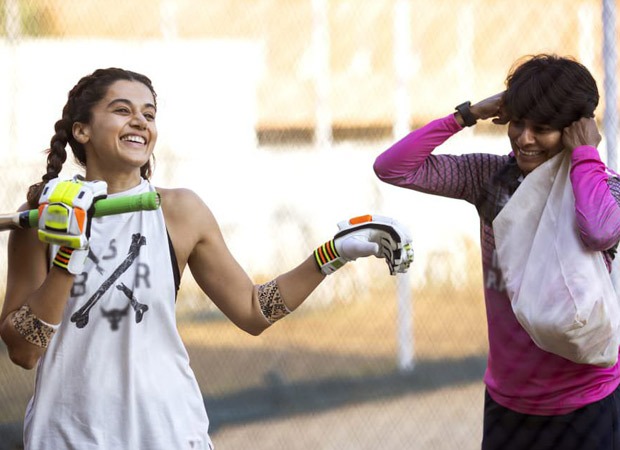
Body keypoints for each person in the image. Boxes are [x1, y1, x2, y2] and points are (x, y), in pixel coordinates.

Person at [0, 67, 413, 450]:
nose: (140, 122)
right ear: (82, 130)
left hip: (169, 433)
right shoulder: (42, 217)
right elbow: (23, 352)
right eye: (122, 110)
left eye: (149, 113)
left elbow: (253, 310)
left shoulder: (179, 211)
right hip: (69, 436)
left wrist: (330, 254)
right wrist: (69, 250)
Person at [373, 53, 620, 450]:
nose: (525, 138)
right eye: (519, 122)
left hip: (585, 400)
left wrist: (585, 155)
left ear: (575, 129)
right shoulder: (490, 178)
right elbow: (393, 167)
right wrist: (467, 114)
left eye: (543, 129)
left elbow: (599, 230)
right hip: (510, 401)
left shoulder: (600, 187)